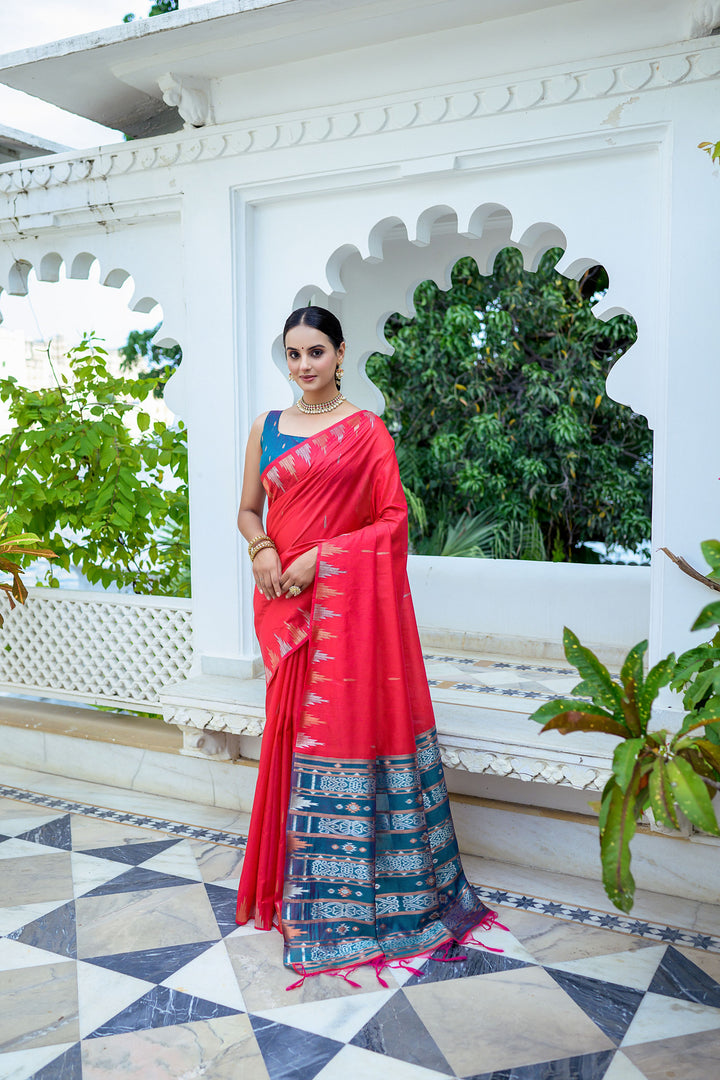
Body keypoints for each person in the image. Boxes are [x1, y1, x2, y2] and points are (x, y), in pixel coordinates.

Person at [235, 305, 497, 979]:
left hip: (341, 609)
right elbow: (247, 508)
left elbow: (392, 524)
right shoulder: (266, 428)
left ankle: (344, 897)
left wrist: (322, 557)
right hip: (283, 605)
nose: (303, 366)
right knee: (288, 733)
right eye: (292, 354)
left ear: (341, 353)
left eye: (315, 352)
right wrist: (261, 546)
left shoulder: (366, 432)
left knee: (344, 734)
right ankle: (282, 890)